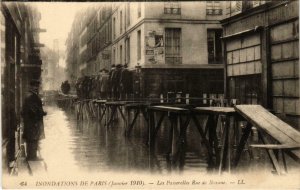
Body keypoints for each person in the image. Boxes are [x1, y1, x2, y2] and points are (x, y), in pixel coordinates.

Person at [21, 79, 46, 161]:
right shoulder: (32, 96)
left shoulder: (29, 96)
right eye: (35, 86)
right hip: (33, 121)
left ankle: (31, 156)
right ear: (32, 87)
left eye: (37, 86)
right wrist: (42, 113)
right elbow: (33, 110)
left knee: (31, 138)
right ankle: (32, 157)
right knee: (33, 138)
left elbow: (29, 109)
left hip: (30, 121)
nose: (37, 88)